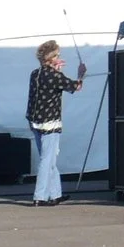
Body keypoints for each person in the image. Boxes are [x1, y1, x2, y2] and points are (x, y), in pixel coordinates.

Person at [26, 40, 85, 206]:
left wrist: (55, 70)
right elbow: (75, 87)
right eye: (57, 55)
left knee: (49, 159)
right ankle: (40, 196)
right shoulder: (55, 76)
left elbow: (48, 85)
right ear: (50, 58)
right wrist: (81, 74)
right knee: (47, 160)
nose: (60, 58)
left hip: (35, 121)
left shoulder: (35, 74)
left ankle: (55, 193)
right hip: (49, 123)